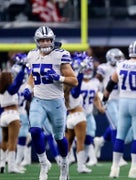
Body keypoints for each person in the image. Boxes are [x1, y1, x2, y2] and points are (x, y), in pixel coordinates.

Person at [23, 25, 78, 180]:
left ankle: (64, 164)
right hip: (38, 100)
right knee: (34, 131)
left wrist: (58, 77)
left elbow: (74, 81)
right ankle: (44, 163)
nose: (46, 43)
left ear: (53, 40)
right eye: (42, 40)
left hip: (56, 102)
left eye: (48, 40)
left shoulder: (60, 55)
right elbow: (32, 76)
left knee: (59, 137)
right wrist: (28, 87)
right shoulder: (32, 55)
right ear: (37, 41)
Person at [105, 40, 136, 178]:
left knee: (120, 136)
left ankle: (114, 169)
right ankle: (135, 169)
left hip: (122, 102)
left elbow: (111, 82)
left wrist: (105, 98)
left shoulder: (121, 64)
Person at [93, 48, 128, 167]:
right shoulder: (104, 68)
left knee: (119, 125)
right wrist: (98, 98)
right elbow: (95, 83)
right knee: (117, 126)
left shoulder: (124, 66)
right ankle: (118, 157)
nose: (119, 60)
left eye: (120, 57)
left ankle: (101, 140)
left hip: (122, 99)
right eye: (116, 57)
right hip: (109, 100)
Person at [65, 53, 93, 173]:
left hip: (69, 118)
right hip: (79, 117)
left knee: (68, 143)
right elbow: (78, 84)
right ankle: (81, 166)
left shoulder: (64, 92)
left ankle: (64, 163)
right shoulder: (74, 92)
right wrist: (81, 71)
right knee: (80, 143)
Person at [0, 59, 27, 174]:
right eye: (10, 77)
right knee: (13, 141)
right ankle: (11, 166)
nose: (12, 78)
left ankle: (1, 163)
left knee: (4, 140)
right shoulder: (10, 90)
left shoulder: (1, 90)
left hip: (3, 116)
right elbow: (19, 81)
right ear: (7, 80)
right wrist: (23, 68)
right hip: (13, 116)